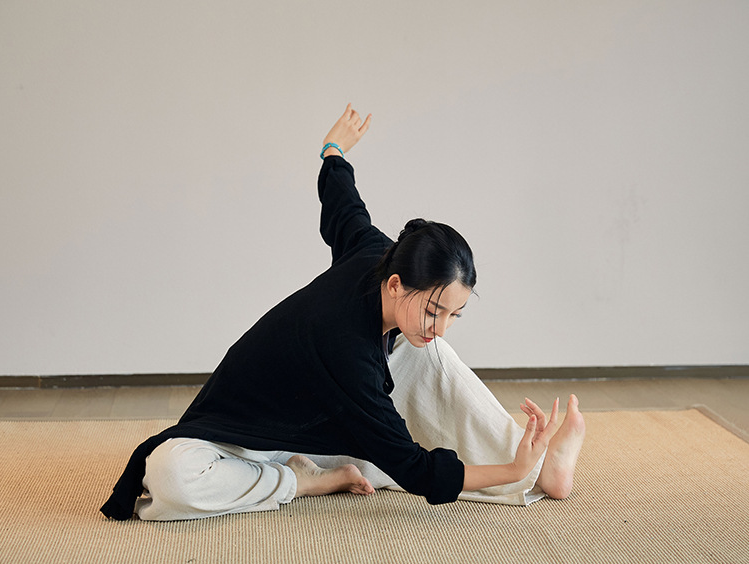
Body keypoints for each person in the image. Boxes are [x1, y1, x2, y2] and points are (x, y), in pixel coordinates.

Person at [100, 104, 585, 521]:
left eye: (453, 315)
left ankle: (539, 464)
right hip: (245, 432)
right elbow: (414, 469)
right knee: (169, 474)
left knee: (431, 358)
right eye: (434, 311)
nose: (440, 328)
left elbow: (344, 209)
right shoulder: (349, 352)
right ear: (395, 285)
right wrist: (509, 471)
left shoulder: (376, 253)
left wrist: (333, 151)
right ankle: (304, 481)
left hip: (321, 412)